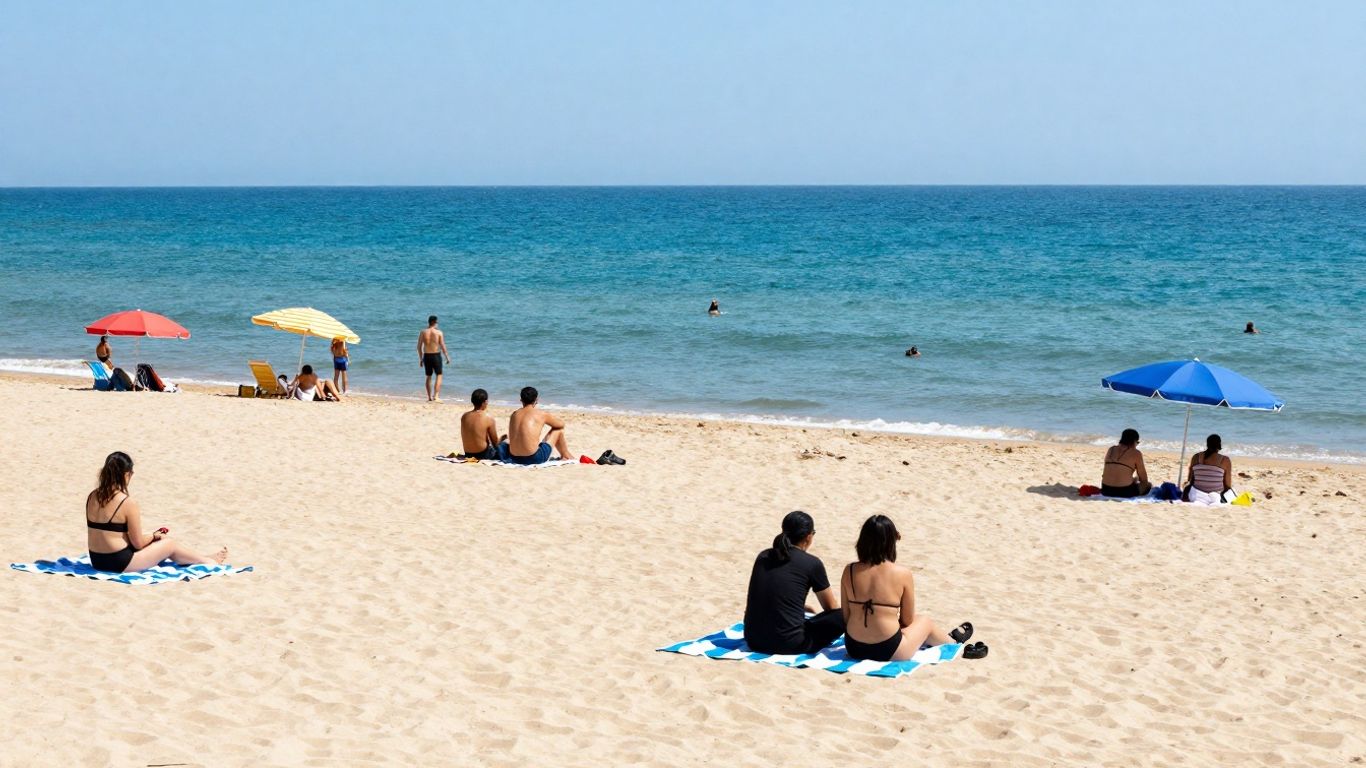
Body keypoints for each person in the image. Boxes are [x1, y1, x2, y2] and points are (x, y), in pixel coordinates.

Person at [841, 515, 986, 661]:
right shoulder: (902, 573)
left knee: (908, 623)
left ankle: (947, 639)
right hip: (888, 650)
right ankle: (954, 645)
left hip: (854, 647)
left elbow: (846, 617)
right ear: (890, 542)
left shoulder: (849, 570)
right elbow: (907, 620)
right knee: (924, 622)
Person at [85, 451, 227, 573]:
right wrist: (154, 536)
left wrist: (153, 537)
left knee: (160, 539)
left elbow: (108, 534)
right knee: (168, 543)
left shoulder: (91, 496)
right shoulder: (127, 502)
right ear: (126, 475)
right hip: (119, 563)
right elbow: (138, 544)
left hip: (97, 561)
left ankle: (203, 558)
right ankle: (207, 561)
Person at [743, 511, 845, 655]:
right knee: (844, 615)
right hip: (790, 644)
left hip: (753, 639)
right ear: (809, 537)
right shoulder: (812, 563)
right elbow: (831, 608)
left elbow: (769, 595)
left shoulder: (763, 556)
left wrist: (800, 607)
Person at [499, 386, 572, 464]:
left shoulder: (514, 414)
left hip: (514, 458)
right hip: (534, 458)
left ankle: (565, 455)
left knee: (508, 440)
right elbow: (561, 425)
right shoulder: (541, 414)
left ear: (521, 400)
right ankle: (565, 455)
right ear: (536, 400)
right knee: (558, 430)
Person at [1101, 428, 1152, 497]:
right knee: (1148, 485)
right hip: (1124, 492)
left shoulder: (1111, 449)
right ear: (1134, 441)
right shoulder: (1136, 453)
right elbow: (1143, 478)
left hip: (1105, 490)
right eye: (1137, 442)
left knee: (1134, 479)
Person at [1185, 434, 1233, 503]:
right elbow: (1228, 485)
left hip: (1196, 496)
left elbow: (1190, 479)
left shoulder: (1196, 457)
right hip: (1216, 498)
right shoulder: (1225, 460)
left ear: (1207, 444)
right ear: (1219, 445)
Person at [460, 388, 501, 460]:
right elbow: (495, 444)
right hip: (483, 454)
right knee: (505, 446)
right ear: (485, 402)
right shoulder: (488, 417)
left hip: (468, 454)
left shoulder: (464, 416)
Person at [418, 315, 451, 402]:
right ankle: (436, 396)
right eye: (437, 322)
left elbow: (419, 346)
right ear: (434, 322)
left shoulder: (423, 332)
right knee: (439, 375)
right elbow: (442, 345)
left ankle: (429, 397)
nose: (437, 324)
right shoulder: (439, 333)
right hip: (436, 355)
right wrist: (447, 356)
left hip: (427, 356)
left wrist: (421, 359)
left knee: (428, 376)